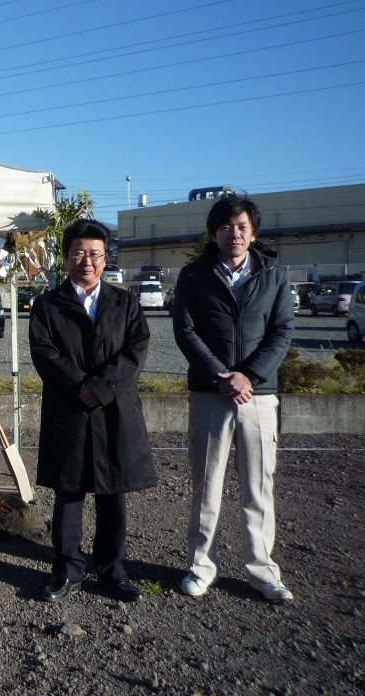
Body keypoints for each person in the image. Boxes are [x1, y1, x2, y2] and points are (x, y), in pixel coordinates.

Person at [173, 194, 295, 602]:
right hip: (210, 393)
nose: (234, 233)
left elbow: (282, 331)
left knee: (259, 488)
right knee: (206, 486)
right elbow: (185, 331)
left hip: (258, 396)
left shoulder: (274, 275)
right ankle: (200, 565)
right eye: (226, 226)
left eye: (241, 226)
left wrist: (249, 375)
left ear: (254, 232)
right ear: (214, 232)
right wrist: (219, 374)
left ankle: (262, 570)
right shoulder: (194, 276)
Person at [28, 219, 157, 604]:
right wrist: (81, 387)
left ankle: (112, 570)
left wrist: (101, 387)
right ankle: (67, 569)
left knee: (112, 494)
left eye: (95, 254)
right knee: (69, 494)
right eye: (79, 253)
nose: (87, 261)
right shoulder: (48, 305)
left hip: (115, 410)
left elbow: (136, 349)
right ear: (66, 257)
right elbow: (44, 353)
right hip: (69, 411)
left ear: (105, 258)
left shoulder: (125, 302)